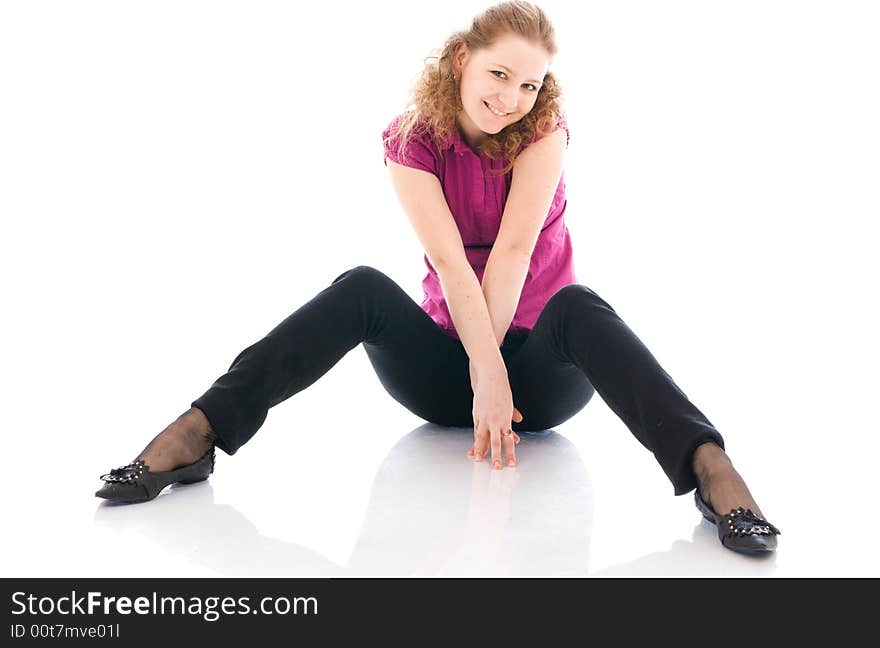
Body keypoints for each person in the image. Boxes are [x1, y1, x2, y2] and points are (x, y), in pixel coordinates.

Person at [95, 1, 780, 555]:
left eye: (530, 83)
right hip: (445, 367)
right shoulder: (412, 139)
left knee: (578, 303)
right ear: (462, 60)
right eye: (500, 74)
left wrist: (501, 373)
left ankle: (709, 468)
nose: (513, 97)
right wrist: (479, 368)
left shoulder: (543, 132)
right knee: (361, 285)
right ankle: (197, 432)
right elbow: (451, 262)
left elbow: (512, 252)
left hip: (538, 377)